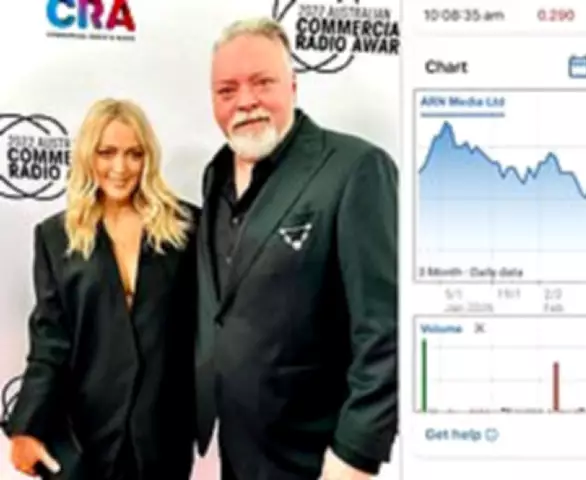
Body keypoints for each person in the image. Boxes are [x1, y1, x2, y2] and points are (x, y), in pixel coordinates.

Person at [194, 17, 398, 480]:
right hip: (237, 449)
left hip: (316, 458)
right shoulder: (215, 175)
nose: (245, 101)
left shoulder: (356, 169)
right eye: (227, 90)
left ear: (293, 85)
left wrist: (355, 455)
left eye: (262, 82)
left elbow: (386, 329)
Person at [3, 98, 198, 480]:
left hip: (164, 434)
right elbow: (50, 342)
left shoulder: (186, 228)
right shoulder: (56, 237)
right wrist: (26, 426)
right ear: (87, 155)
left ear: (148, 158)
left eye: (134, 154)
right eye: (107, 153)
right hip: (84, 438)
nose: (120, 168)